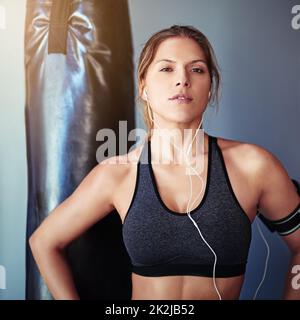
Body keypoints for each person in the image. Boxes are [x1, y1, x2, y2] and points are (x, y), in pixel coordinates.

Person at [29, 25, 300, 300]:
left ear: (210, 87)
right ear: (144, 87)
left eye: (197, 69)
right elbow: (44, 242)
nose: (182, 79)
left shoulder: (254, 166)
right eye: (167, 69)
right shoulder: (118, 174)